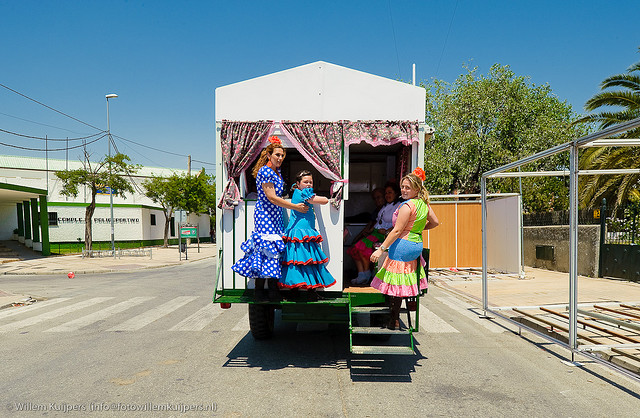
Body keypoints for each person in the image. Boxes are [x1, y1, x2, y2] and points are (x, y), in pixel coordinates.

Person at [231, 136, 308, 302]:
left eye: (282, 155)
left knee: (273, 252)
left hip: (275, 215)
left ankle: (272, 290)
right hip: (265, 214)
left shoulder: (276, 172)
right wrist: (295, 207)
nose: (280, 158)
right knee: (264, 250)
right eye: (277, 155)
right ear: (268, 155)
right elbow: (272, 197)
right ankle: (260, 291)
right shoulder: (265, 172)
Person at [369, 168, 439, 330]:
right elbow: (435, 222)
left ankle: (393, 319)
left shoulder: (407, 206)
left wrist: (381, 249)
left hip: (403, 245)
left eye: (408, 187)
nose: (404, 190)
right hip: (416, 245)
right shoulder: (424, 204)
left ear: (417, 189)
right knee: (402, 280)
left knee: (395, 282)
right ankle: (396, 315)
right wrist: (416, 229)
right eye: (402, 187)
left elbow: (397, 231)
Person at [280, 170, 336, 300]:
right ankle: (309, 292)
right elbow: (324, 201)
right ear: (298, 183)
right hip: (301, 233)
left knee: (298, 261)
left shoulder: (297, 192)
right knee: (307, 261)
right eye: (305, 182)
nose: (309, 184)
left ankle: (296, 292)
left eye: (311, 182)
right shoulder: (304, 193)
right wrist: (328, 197)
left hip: (301, 232)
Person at [347, 182, 403, 285]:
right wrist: (370, 230)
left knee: (361, 247)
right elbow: (378, 222)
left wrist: (386, 231)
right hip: (376, 232)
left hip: (384, 235)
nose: (387, 195)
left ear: (396, 193)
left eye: (390, 192)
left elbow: (398, 224)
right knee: (355, 248)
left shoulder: (399, 206)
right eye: (386, 193)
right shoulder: (385, 206)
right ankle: (362, 274)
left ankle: (366, 273)